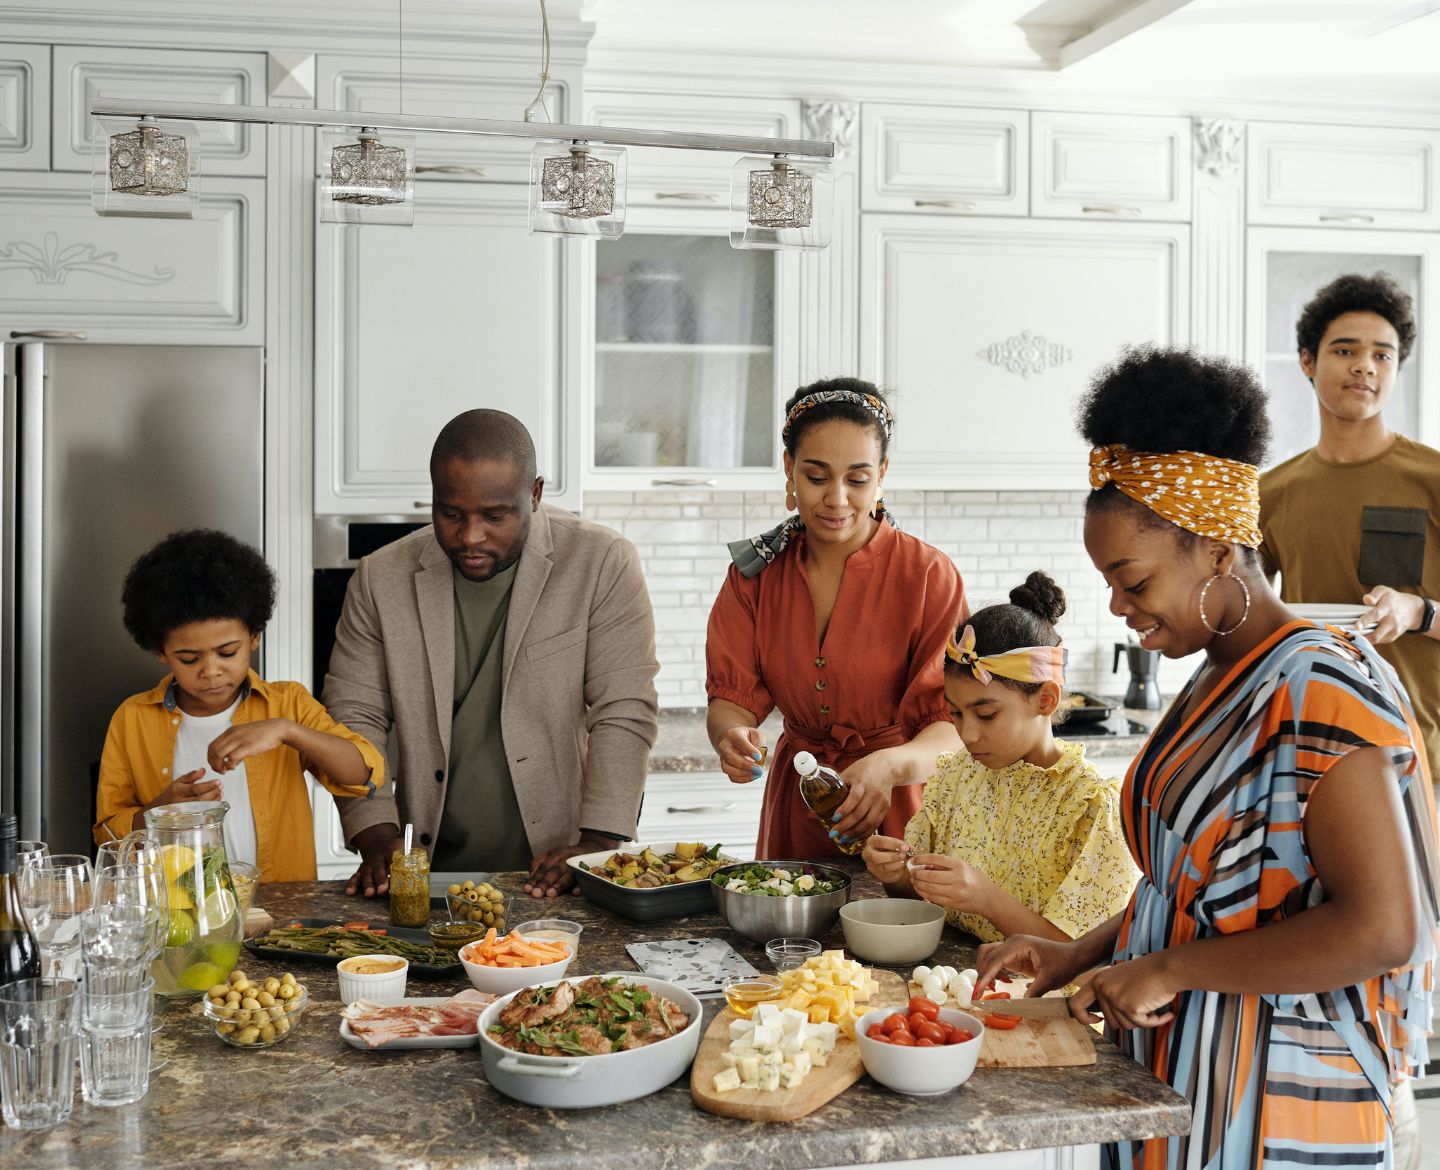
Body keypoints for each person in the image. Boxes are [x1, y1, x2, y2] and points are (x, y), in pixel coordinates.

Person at [976, 348, 1440, 1170]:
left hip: (1278, 1100)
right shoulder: (1218, 676)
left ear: (1219, 553)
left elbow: (1386, 928)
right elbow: (1209, 890)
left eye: (1132, 580)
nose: (1120, 609)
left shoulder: (1320, 688)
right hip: (1186, 1075)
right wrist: (1078, 952)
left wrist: (1171, 970)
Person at [324, 408, 659, 899]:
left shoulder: (601, 562)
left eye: (495, 516)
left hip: (558, 868)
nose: (470, 537)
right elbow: (354, 714)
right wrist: (375, 831)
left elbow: (624, 708)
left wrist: (598, 843)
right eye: (451, 513)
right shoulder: (381, 578)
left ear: (536, 495)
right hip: (429, 870)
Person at [706, 378, 966, 859]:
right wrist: (731, 737)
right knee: (790, 932)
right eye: (817, 476)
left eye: (858, 479)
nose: (837, 499)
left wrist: (887, 768)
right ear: (789, 468)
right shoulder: (754, 577)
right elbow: (731, 698)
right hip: (797, 805)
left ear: (882, 472)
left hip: (903, 811)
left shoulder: (929, 576)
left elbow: (953, 726)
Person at [94, 529, 385, 883]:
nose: (211, 671)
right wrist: (162, 813)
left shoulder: (287, 704)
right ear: (160, 652)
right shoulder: (132, 719)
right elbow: (107, 835)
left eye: (228, 652)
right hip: (173, 910)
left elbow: (364, 775)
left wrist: (286, 731)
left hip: (280, 909)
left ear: (255, 636)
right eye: (188, 659)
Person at [863, 572, 1139, 943]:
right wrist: (897, 875)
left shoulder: (1089, 807)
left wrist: (985, 898)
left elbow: (1082, 956)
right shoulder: (956, 776)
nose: (967, 734)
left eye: (986, 714)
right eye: (956, 713)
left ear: (1046, 700)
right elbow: (924, 902)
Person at [1260, 272, 1440, 787]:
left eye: (1383, 355)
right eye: (1345, 350)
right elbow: (1241, 613)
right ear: (1308, 362)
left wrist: (1417, 611)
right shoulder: (1271, 491)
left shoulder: (1433, 478)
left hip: (1421, 755)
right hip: (1307, 750)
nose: (1365, 364)